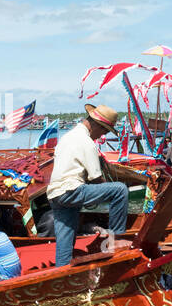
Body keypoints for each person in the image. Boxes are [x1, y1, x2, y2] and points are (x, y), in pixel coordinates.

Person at [46, 104, 130, 268]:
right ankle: (116, 240)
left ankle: (61, 275)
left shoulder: (68, 136)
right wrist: (107, 193)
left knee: (65, 243)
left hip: (55, 194)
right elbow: (96, 179)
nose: (102, 135)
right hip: (71, 190)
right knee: (120, 190)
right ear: (97, 125)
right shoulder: (87, 142)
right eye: (104, 131)